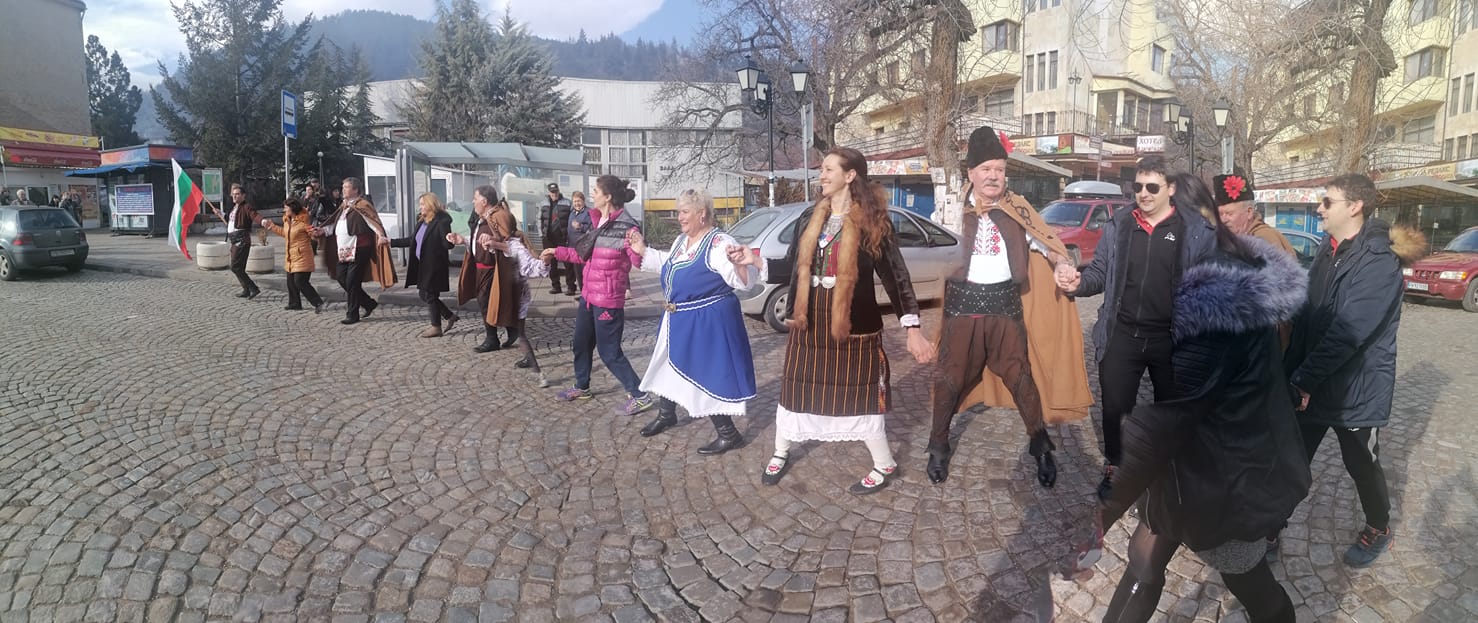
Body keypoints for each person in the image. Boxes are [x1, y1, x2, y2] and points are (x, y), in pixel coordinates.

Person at [1067, 187, 1313, 623]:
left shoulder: (1215, 306)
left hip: (1227, 477)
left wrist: (1100, 514)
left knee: (1250, 583)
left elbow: (1159, 424)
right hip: (1182, 468)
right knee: (1143, 561)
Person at [760, 148, 935, 495]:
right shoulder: (811, 216)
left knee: (860, 397)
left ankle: (884, 463)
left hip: (853, 326)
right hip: (809, 324)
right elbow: (793, 265)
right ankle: (780, 451)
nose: (822, 175)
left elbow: (896, 277)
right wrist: (754, 263)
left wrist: (913, 330)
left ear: (850, 175)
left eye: (829, 169)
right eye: (822, 169)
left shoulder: (872, 221)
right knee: (796, 389)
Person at [927, 126, 1093, 488]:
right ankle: (938, 445)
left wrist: (1061, 265)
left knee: (1021, 378)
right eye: (986, 169)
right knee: (950, 378)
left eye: (999, 169)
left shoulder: (1017, 209)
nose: (993, 176)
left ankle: (1041, 447)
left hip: (1006, 308)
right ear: (971, 173)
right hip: (962, 309)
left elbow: (1048, 245)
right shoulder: (950, 213)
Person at [1283, 174, 1424, 567]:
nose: (1319, 208)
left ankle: (1378, 526)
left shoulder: (1379, 261)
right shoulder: (1328, 251)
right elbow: (1307, 320)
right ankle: (1270, 526)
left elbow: (1349, 333)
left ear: (1355, 206)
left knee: (1361, 463)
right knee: (1291, 459)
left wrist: (1302, 381)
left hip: (1355, 389)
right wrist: (1287, 373)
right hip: (1312, 383)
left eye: (1327, 202)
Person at [1058, 156, 1216, 498]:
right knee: (1115, 408)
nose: (1143, 194)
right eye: (1138, 186)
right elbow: (1099, 272)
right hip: (1122, 333)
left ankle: (1166, 473)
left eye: (1152, 187)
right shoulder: (1120, 225)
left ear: (1170, 189)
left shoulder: (1195, 232)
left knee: (1171, 412)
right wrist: (1078, 283)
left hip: (1172, 339)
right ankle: (1116, 465)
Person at [627, 189, 763, 454]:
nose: (679, 217)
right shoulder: (682, 240)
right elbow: (668, 263)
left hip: (706, 321)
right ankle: (667, 414)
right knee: (666, 363)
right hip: (678, 317)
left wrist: (741, 265)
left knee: (704, 372)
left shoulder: (719, 243)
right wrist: (642, 250)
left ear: (702, 214)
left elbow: (742, 282)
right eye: (679, 211)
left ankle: (728, 433)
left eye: (684, 211)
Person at [540, 175, 655, 416]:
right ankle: (582, 387)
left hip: (608, 301)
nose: (592, 194)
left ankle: (640, 395)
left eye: (596, 190)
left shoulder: (627, 227)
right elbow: (582, 255)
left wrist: (639, 248)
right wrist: (555, 251)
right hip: (589, 296)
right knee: (580, 344)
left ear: (608, 197)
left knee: (609, 352)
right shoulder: (597, 221)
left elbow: (639, 261)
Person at [315, 177, 396, 325]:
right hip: (343, 249)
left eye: (346, 187)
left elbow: (372, 222)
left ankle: (352, 314)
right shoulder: (343, 206)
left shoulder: (363, 205)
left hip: (359, 248)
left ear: (355, 190)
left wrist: (380, 235)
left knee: (352, 281)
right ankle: (368, 303)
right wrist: (322, 231)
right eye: (343, 187)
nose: (343, 190)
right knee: (341, 277)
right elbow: (335, 225)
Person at [451, 186, 521, 352]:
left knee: (486, 302)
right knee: (489, 302)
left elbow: (509, 242)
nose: (473, 201)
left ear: (484, 201)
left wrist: (493, 242)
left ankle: (492, 339)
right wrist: (462, 240)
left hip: (493, 268)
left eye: (475, 198)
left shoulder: (498, 217)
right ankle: (511, 329)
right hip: (480, 267)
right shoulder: (482, 219)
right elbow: (478, 241)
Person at [391, 193, 458, 338]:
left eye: (422, 204)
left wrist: (451, 240)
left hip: (434, 266)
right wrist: (391, 242)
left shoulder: (442, 221)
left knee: (430, 294)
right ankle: (449, 316)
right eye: (420, 204)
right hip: (423, 265)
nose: (420, 207)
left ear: (430, 204)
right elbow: (412, 240)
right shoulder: (422, 221)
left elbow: (447, 244)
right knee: (424, 294)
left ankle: (436, 327)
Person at [260, 198, 324, 313]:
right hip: (291, 256)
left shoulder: (303, 221)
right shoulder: (287, 220)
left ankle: (317, 302)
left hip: (303, 256)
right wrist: (272, 226)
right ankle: (294, 303)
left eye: (286, 207)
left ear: (293, 208)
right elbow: (285, 233)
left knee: (300, 281)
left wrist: (315, 234)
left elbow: (311, 232)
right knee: (290, 282)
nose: (284, 209)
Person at [1214, 173, 1294, 256]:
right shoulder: (1231, 238)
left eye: (1229, 214)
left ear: (1249, 212)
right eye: (1220, 214)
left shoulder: (1264, 239)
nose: (1223, 220)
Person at [213, 183, 262, 300]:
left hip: (242, 240)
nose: (234, 196)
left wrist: (262, 221)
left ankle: (253, 288)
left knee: (235, 267)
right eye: (233, 194)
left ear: (243, 195)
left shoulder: (246, 207)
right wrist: (220, 213)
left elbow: (254, 215)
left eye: (237, 194)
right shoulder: (235, 208)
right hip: (235, 240)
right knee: (240, 267)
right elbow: (231, 220)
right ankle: (246, 290)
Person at [541, 183, 576, 294]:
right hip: (548, 238)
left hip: (563, 237)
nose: (554, 194)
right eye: (552, 192)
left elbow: (572, 218)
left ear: (559, 191)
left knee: (568, 263)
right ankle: (556, 286)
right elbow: (539, 219)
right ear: (548, 192)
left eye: (556, 191)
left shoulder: (567, 203)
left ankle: (571, 286)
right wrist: (541, 234)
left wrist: (571, 233)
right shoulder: (543, 204)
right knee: (552, 264)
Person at [564, 191, 591, 295]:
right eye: (575, 201)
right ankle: (583, 293)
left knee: (584, 272)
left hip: (583, 248)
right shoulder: (572, 213)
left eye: (579, 201)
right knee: (577, 273)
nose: (577, 204)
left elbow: (592, 228)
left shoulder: (588, 212)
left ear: (583, 201)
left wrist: (581, 226)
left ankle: (587, 294)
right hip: (572, 247)